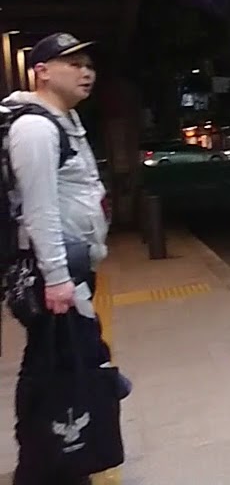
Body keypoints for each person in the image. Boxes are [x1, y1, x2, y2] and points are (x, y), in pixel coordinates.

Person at [4, 32, 120, 485]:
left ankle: (58, 459)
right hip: (51, 275)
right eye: (72, 63)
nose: (85, 71)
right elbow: (39, 210)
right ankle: (44, 467)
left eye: (88, 63)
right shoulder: (34, 128)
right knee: (53, 369)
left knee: (65, 363)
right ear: (42, 71)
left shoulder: (61, 120)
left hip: (67, 270)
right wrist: (56, 279)